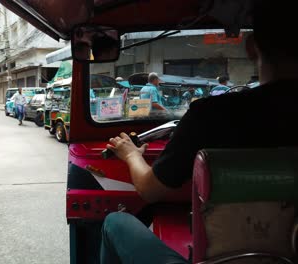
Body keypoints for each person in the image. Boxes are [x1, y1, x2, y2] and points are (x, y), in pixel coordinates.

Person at [100, 1, 298, 263]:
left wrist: (130, 154)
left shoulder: (211, 115)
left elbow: (149, 190)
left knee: (115, 222)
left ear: (251, 47)